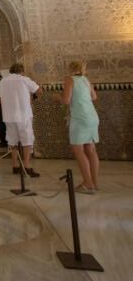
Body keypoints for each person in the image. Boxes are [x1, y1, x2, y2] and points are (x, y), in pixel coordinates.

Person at [56, 61, 100, 194]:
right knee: (90, 149)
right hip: (92, 116)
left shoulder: (69, 79)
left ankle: (88, 183)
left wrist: (57, 97)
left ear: (70, 68)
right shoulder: (86, 80)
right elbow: (94, 97)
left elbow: (66, 100)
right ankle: (94, 183)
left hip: (80, 118)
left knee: (78, 149)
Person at [0, 63, 41, 177]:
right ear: (22, 71)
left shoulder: (3, 81)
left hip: (8, 116)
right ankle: (27, 166)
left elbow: (0, 99)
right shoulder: (24, 79)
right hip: (23, 116)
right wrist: (31, 97)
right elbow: (39, 91)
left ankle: (15, 165)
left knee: (12, 141)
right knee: (27, 141)